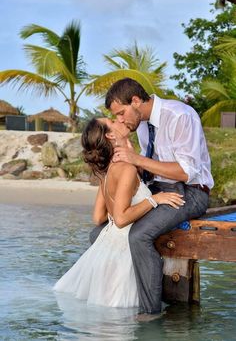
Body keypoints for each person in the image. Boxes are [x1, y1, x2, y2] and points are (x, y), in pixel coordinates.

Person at [90, 78, 214, 315]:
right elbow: (148, 170)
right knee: (100, 233)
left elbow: (186, 172)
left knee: (138, 236)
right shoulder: (143, 125)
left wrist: (135, 159)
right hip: (158, 188)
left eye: (121, 113)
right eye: (115, 117)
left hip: (192, 192)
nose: (120, 120)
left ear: (136, 101)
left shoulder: (180, 116)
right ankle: (118, 296)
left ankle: (150, 312)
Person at [53, 118, 184, 309]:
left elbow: (98, 217)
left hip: (105, 251)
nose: (121, 120)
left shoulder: (107, 170)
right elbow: (121, 219)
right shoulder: (126, 169)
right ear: (110, 135)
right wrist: (154, 200)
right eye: (113, 120)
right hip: (124, 256)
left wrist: (119, 207)